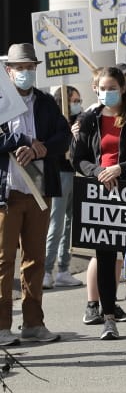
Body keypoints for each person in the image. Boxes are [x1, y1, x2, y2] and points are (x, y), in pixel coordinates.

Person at [71, 66, 126, 340]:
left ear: (123, 88)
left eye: (112, 88)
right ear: (95, 89)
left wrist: (120, 168)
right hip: (101, 196)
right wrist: (97, 172)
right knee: (105, 259)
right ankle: (108, 319)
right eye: (102, 88)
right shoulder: (89, 118)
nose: (107, 93)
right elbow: (78, 158)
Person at [0, 43, 68, 345]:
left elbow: (63, 135)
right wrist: (22, 139)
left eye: (30, 67)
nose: (26, 72)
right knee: (4, 261)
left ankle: (33, 323)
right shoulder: (1, 101)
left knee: (35, 260)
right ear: (8, 70)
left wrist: (43, 147)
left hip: (38, 192)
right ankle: (2, 326)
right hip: (7, 193)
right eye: (21, 67)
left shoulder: (44, 102)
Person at [43, 86, 84, 289]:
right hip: (59, 174)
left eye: (79, 100)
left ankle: (64, 269)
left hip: (73, 172)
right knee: (56, 223)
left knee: (70, 224)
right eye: (74, 100)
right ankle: (46, 270)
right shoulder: (55, 119)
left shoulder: (78, 119)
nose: (78, 103)